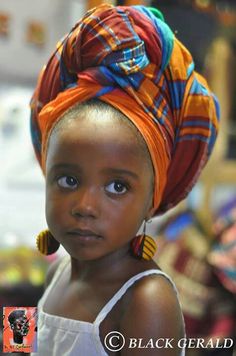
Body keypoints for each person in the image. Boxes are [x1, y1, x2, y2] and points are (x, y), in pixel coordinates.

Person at [29, 4, 219, 355]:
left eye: (117, 187)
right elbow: (21, 348)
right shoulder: (58, 272)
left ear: (151, 200)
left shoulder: (146, 301)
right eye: (68, 180)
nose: (85, 206)